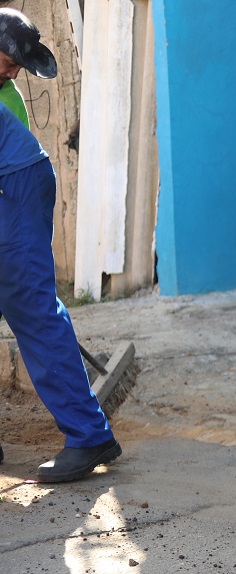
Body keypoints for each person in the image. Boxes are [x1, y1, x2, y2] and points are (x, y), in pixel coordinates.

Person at [0, 8, 121, 482]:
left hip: (16, 189)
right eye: (9, 61)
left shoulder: (7, 99)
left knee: (32, 309)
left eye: (16, 65)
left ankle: (90, 435)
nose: (14, 72)